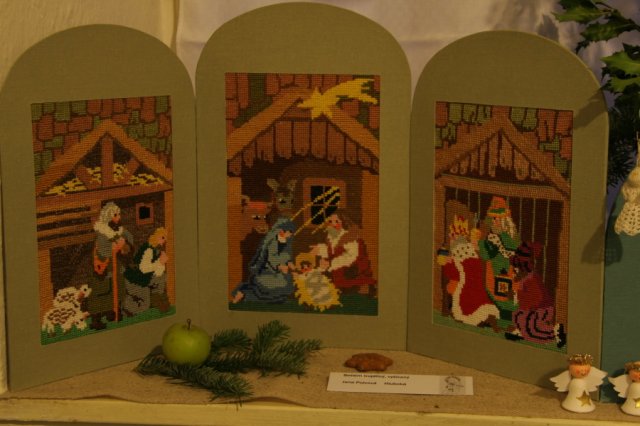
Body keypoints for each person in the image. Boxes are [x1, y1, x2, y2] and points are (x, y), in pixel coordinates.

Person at [439, 215, 500, 331]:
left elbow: (453, 273)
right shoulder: (471, 254)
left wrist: (446, 263)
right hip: (475, 287)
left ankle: (478, 317)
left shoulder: (462, 256)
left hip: (469, 289)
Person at [87, 202, 133, 330]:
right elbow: (104, 251)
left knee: (117, 290)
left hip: (116, 268)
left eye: (119, 214)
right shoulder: (102, 232)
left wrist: (124, 247)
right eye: (115, 215)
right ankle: (96, 320)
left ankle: (112, 312)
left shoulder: (119, 231)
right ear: (108, 217)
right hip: (104, 268)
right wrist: (117, 248)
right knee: (101, 293)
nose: (118, 217)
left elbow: (128, 244)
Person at [232, 217, 296, 304]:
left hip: (279, 271)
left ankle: (277, 300)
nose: (290, 235)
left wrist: (291, 265)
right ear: (282, 231)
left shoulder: (286, 242)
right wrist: (279, 266)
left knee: (287, 281)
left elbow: (287, 256)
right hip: (266, 270)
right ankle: (243, 295)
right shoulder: (272, 242)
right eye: (289, 232)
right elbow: (271, 258)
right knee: (272, 284)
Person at [310, 211, 376, 294]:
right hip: (339, 273)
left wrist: (330, 263)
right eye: (330, 221)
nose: (333, 224)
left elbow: (350, 257)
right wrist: (320, 250)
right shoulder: (332, 237)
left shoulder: (350, 237)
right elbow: (333, 251)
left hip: (354, 273)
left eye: (336, 221)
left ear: (344, 223)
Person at [122, 227, 170, 316]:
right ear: (156, 236)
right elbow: (144, 269)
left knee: (163, 277)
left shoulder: (156, 251)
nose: (164, 241)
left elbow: (157, 272)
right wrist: (160, 262)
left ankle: (156, 297)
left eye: (165, 239)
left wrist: (161, 264)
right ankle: (127, 307)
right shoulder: (148, 249)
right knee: (145, 305)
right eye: (163, 237)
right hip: (135, 280)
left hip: (144, 278)